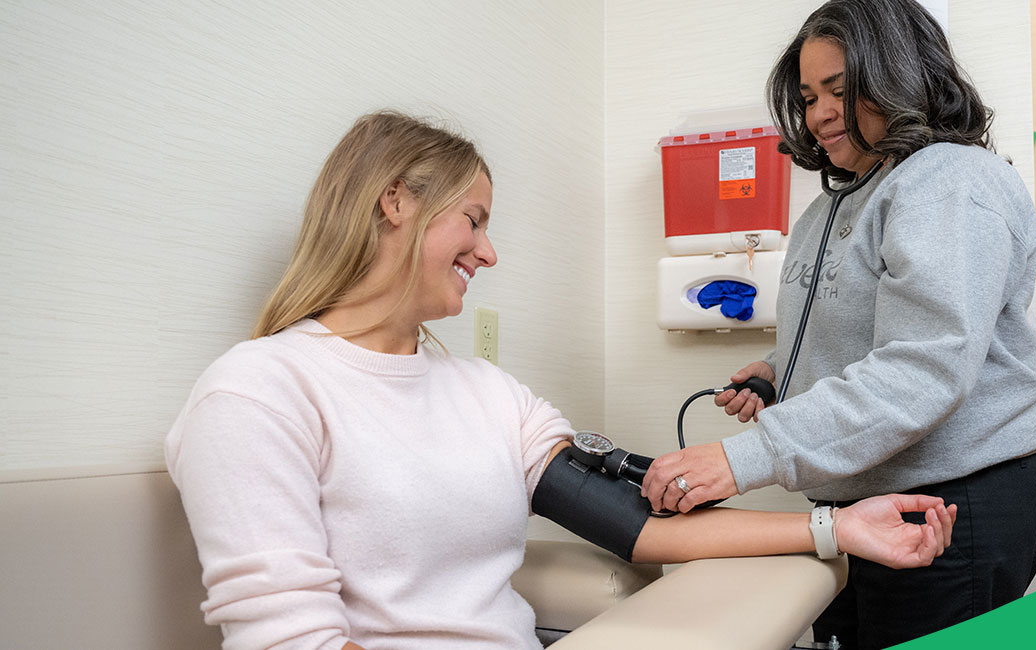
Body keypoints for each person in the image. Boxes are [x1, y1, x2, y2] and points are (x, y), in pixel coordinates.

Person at [165, 110, 958, 650]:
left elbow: (639, 527)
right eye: (473, 219)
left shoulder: (485, 394)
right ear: (394, 203)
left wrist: (837, 528)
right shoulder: (258, 395)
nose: (489, 250)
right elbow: (290, 637)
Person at [641, 1, 1036, 648]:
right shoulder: (836, 204)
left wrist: (741, 458)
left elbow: (922, 368)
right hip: (860, 505)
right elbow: (864, 333)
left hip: (950, 498)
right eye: (809, 96)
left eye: (841, 88)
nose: (820, 113)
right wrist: (780, 374)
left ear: (902, 74)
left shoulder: (948, 184)